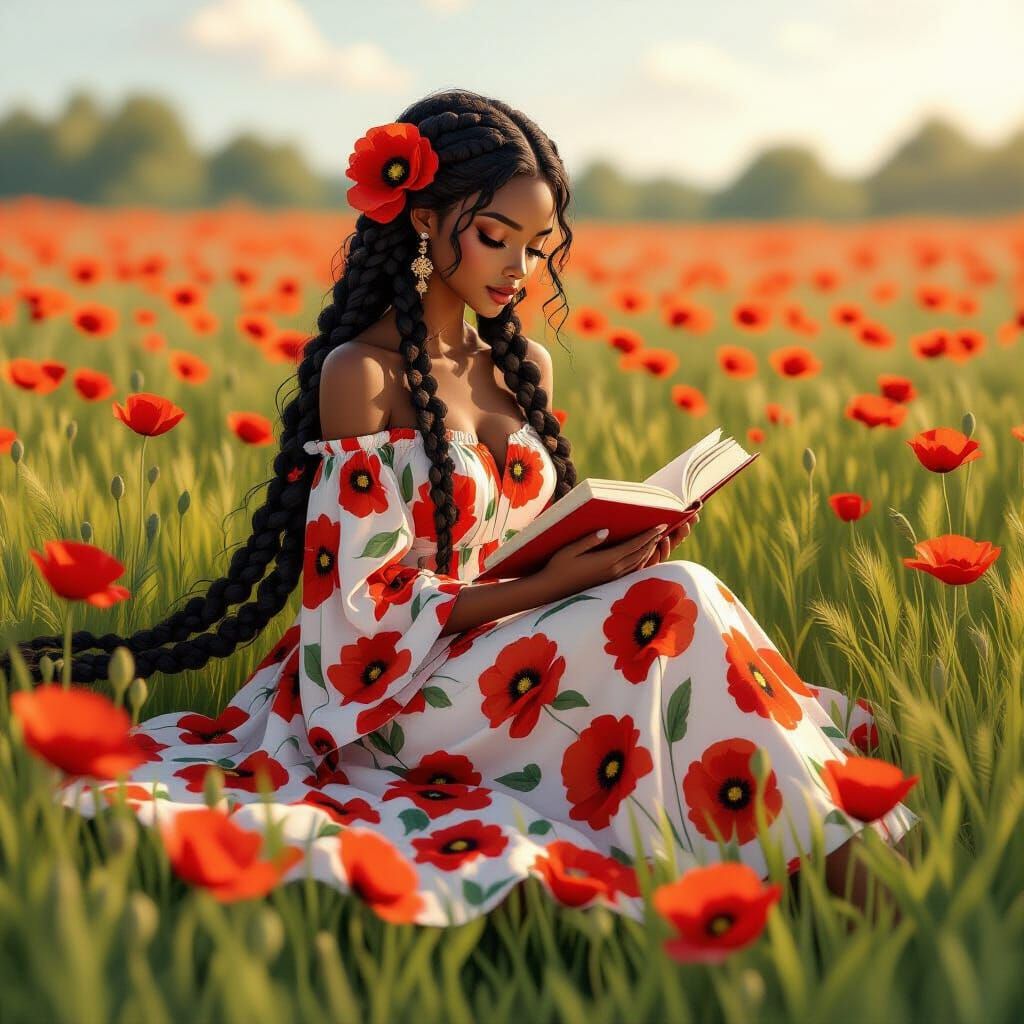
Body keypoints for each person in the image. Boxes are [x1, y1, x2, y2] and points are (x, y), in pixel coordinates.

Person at [6, 88, 919, 928]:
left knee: (675, 592)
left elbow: (528, 548)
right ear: (426, 217)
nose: (520, 267)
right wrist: (567, 584)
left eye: (537, 245)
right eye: (497, 236)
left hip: (507, 649)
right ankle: (866, 880)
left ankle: (830, 861)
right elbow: (362, 613)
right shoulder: (362, 377)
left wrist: (608, 547)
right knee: (675, 599)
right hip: (392, 689)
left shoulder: (522, 371)